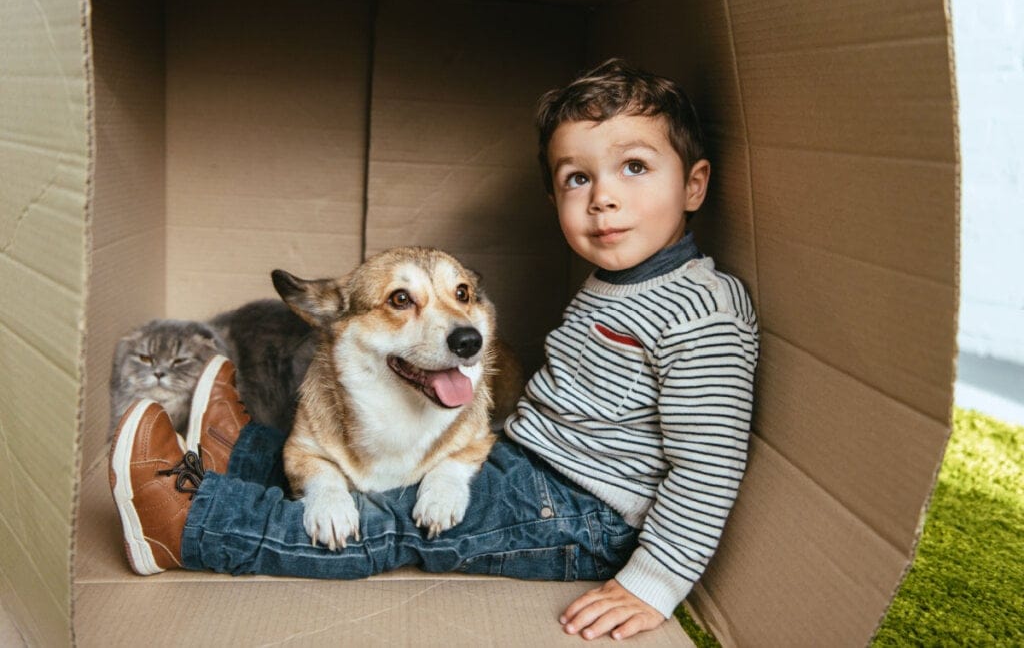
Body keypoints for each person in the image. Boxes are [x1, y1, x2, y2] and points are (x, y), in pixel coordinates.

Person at [109, 58, 759, 641]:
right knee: (389, 469)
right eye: (576, 179)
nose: (604, 197)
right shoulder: (616, 280)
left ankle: (196, 527)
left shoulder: (703, 312)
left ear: (695, 185)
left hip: (585, 515)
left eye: (634, 167)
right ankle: (238, 446)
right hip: (526, 462)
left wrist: (654, 582)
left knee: (389, 522)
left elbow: (709, 468)